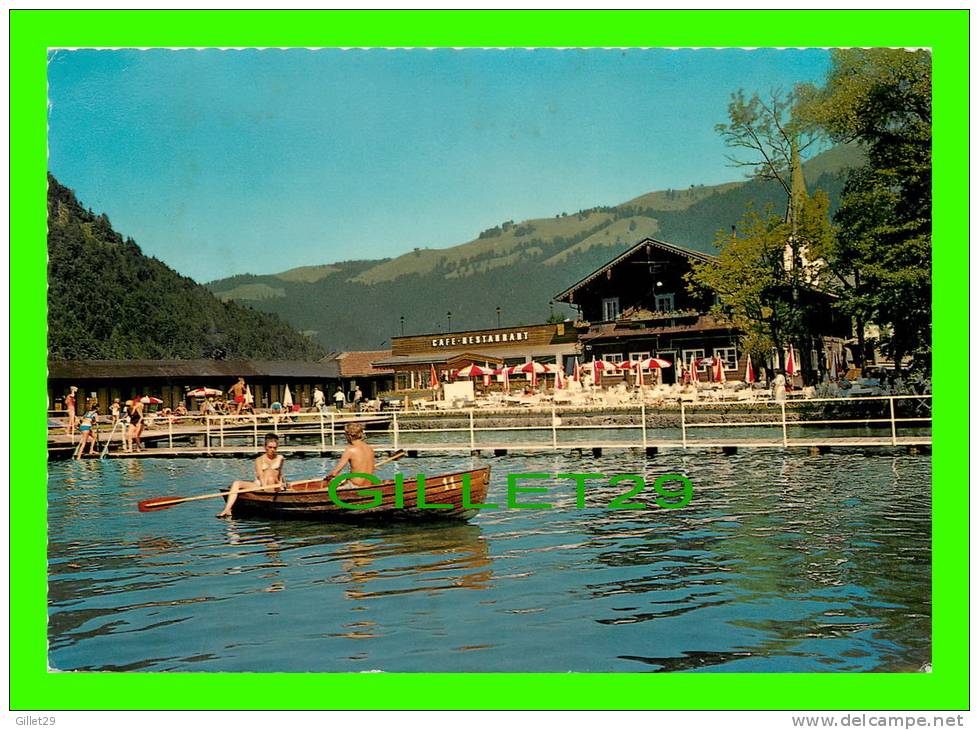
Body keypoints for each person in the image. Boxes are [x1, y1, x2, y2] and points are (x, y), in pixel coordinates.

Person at [218, 433, 286, 518]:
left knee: (270, 475)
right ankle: (227, 509)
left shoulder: (280, 458)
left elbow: (280, 473)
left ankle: (271, 505)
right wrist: (264, 487)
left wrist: (282, 484)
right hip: (261, 484)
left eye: (274, 448)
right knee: (236, 483)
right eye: (270, 447)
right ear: (265, 447)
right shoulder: (259, 460)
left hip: (274, 483)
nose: (272, 450)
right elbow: (260, 475)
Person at [325, 422, 375, 487]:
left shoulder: (350, 450)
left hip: (355, 485)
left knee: (330, 483)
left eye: (345, 434)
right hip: (368, 484)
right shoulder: (369, 448)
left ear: (349, 436)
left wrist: (328, 477)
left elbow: (335, 473)